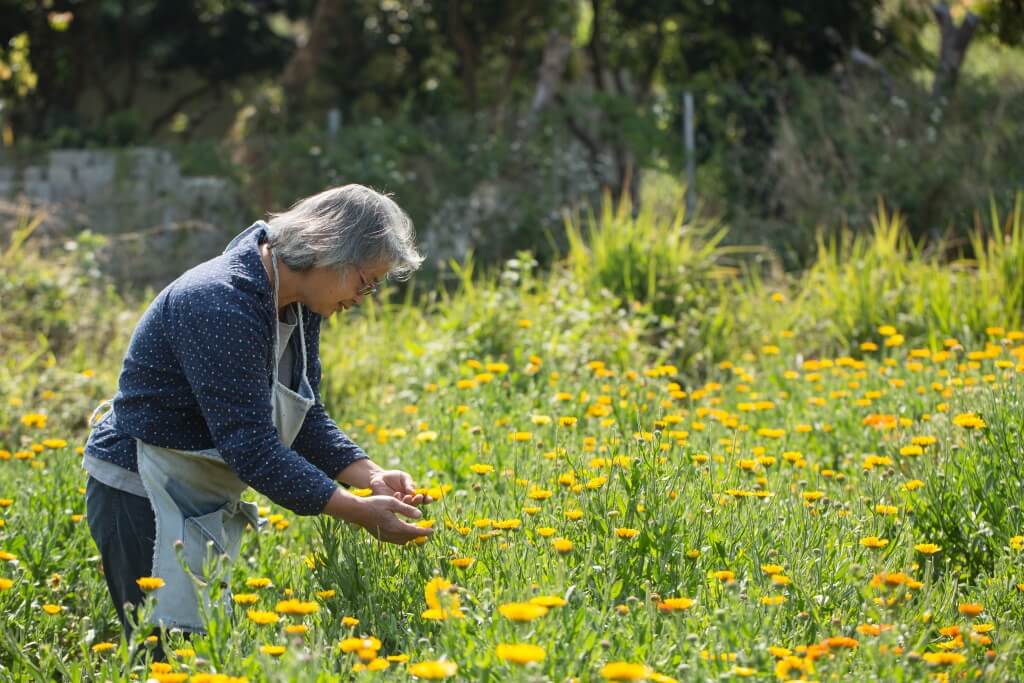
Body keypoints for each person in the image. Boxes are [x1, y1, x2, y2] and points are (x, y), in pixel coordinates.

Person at [82, 184, 433, 657]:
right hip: (139, 488)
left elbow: (303, 413)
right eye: (366, 281)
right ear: (329, 249)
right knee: (161, 655)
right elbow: (250, 447)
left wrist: (369, 475)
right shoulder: (220, 302)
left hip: (192, 487)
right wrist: (355, 511)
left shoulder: (295, 300)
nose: (365, 296)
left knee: (203, 654)